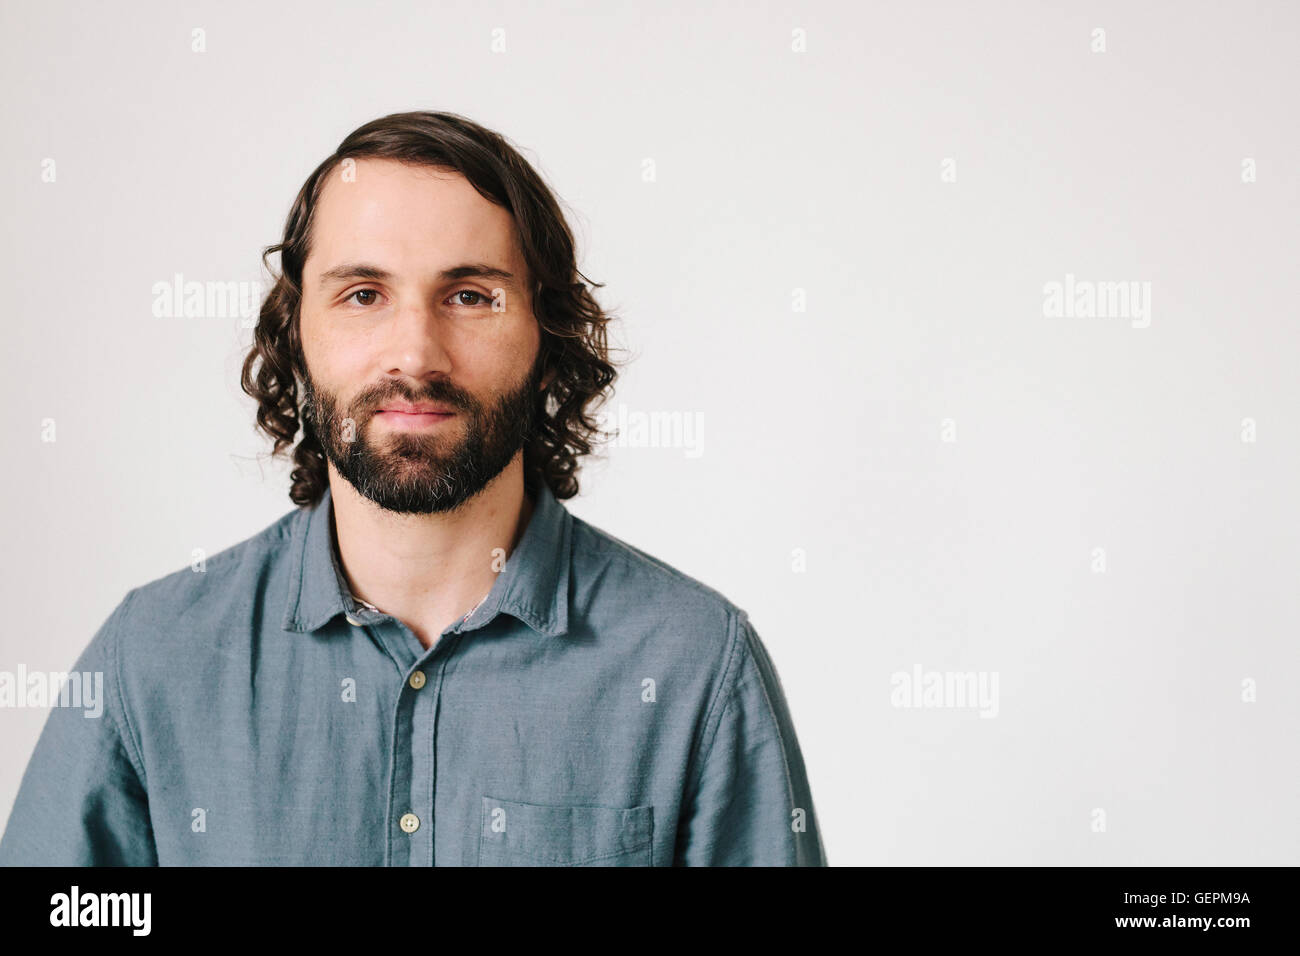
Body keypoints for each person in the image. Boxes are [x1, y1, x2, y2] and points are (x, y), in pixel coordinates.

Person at [0, 111, 826, 866]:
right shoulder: (153, 657)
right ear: (296, 330)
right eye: (364, 294)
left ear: (547, 332)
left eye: (469, 296)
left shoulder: (694, 664)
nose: (415, 353)